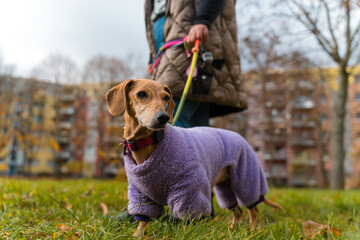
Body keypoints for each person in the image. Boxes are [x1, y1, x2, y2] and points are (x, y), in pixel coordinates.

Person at [145, 0, 248, 128]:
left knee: (173, 111)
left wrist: (203, 20)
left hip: (189, 34)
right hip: (166, 38)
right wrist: (152, 56)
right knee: (196, 118)